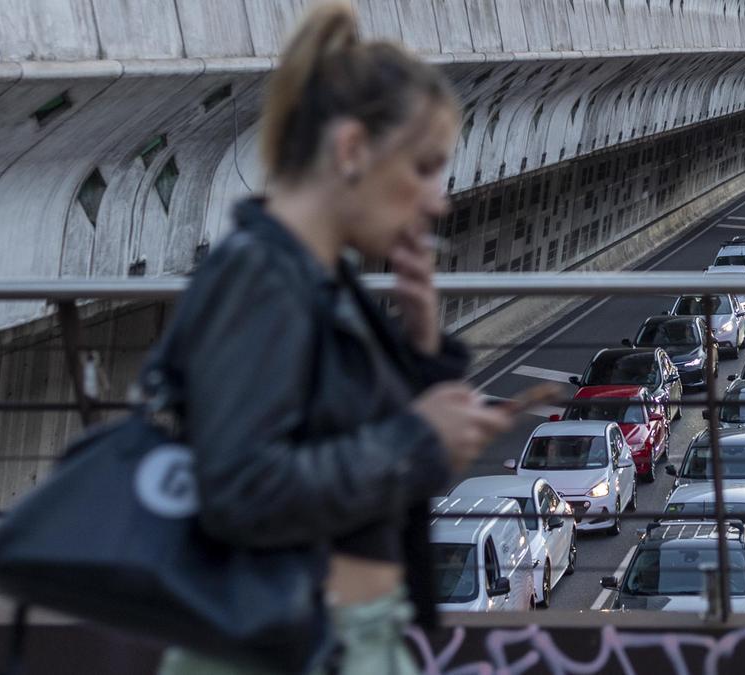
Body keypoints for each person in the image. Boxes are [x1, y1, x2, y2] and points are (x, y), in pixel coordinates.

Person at [155, 3, 513, 674]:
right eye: (424, 166)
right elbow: (239, 490)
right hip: (282, 646)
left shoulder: (325, 277)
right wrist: (416, 436)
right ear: (351, 150)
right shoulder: (259, 276)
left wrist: (424, 345)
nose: (439, 200)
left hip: (347, 637)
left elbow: (366, 454)